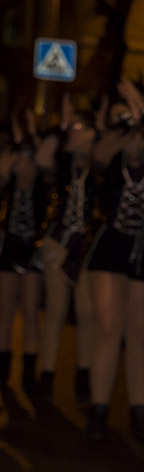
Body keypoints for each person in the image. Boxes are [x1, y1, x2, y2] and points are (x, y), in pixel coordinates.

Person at [83, 80, 144, 441]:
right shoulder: (108, 152)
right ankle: (98, 409)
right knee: (109, 327)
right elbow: (100, 155)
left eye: (135, 115)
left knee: (140, 332)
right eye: (122, 116)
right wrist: (127, 121)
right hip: (111, 243)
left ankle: (140, 410)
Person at [34, 94, 99, 408]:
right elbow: (42, 159)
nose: (73, 133)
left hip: (86, 248)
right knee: (55, 312)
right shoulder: (61, 162)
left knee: (87, 312)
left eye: (78, 127)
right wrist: (60, 128)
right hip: (58, 241)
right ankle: (45, 377)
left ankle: (83, 376)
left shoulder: (100, 166)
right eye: (72, 128)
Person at [0, 114, 46, 396]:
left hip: (33, 249)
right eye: (19, 158)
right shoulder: (7, 187)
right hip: (9, 247)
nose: (22, 164)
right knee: (5, 309)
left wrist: (32, 135)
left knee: (31, 310)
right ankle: (3, 368)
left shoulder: (42, 186)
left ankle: (30, 370)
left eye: (27, 158)